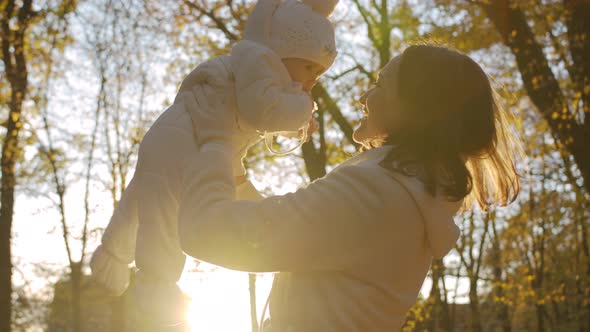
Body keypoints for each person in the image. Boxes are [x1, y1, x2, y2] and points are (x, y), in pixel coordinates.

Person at [177, 44, 522, 331]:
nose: (364, 96)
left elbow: (210, 233)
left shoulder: (375, 192)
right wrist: (233, 164)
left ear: (414, 107)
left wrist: (215, 141)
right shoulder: (403, 193)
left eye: (380, 83)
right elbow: (274, 229)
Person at [89, 0, 339, 328]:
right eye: (312, 69)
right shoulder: (258, 60)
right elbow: (262, 111)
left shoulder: (253, 68)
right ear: (286, 48)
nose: (313, 82)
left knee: (140, 203)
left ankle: (112, 256)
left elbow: (237, 127)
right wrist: (302, 111)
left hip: (171, 138)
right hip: (184, 145)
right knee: (163, 223)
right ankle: (156, 294)